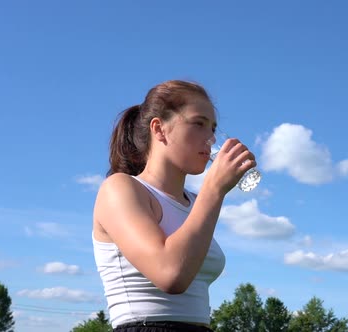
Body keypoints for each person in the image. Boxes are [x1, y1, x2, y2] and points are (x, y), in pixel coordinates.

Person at [92, 80, 256, 332]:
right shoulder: (120, 188)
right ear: (159, 129)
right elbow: (170, 274)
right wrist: (213, 190)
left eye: (212, 128)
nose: (211, 138)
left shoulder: (194, 202)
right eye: (198, 124)